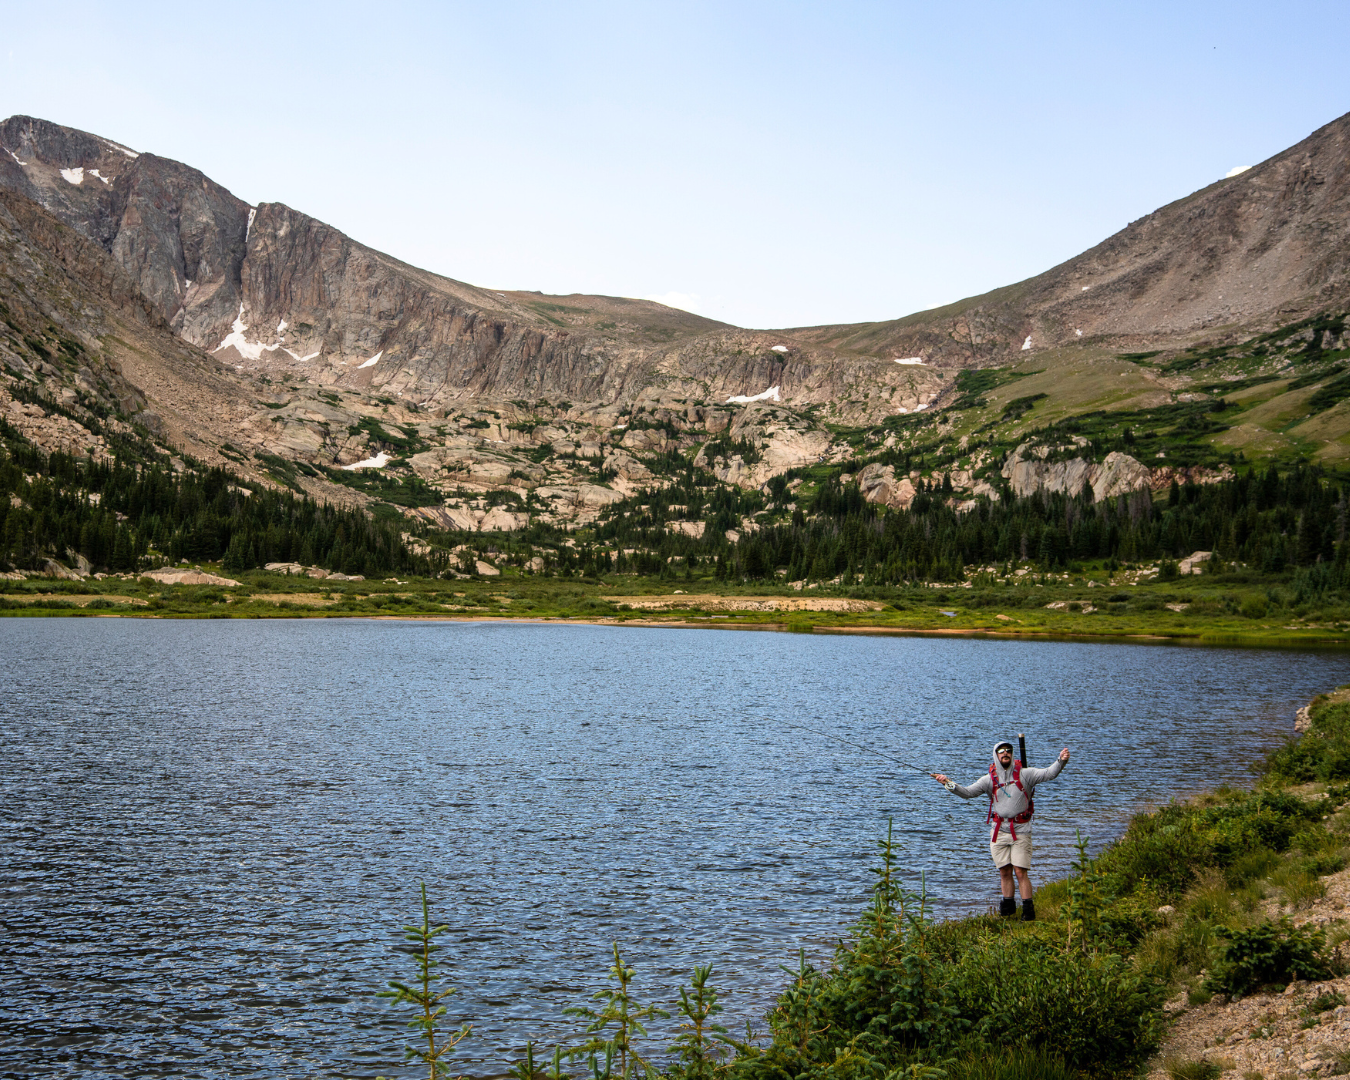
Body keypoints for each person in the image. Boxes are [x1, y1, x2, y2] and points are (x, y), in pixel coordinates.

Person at [933, 741, 1070, 920]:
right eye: (1001, 751)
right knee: (1004, 871)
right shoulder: (989, 779)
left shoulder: (1026, 774)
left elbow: (1049, 773)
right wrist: (947, 783)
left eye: (1008, 751)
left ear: (1012, 754)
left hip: (1021, 831)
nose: (1005, 753)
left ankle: (1028, 912)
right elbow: (967, 793)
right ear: (996, 755)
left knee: (1021, 871)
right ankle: (1008, 909)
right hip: (998, 832)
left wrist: (1061, 760)